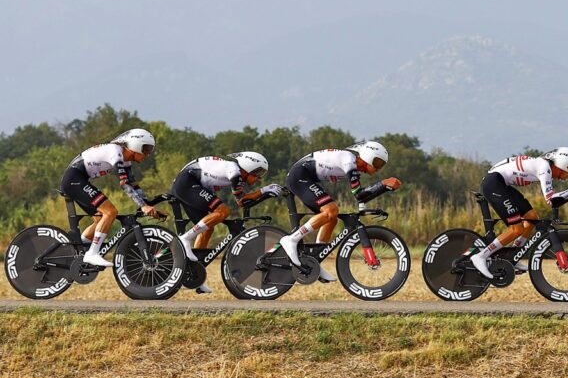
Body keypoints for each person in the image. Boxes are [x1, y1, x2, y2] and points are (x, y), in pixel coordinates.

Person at [280, 142, 401, 282]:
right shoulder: (349, 161)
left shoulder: (353, 166)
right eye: (378, 162)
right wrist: (383, 184)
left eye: (382, 165)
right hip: (299, 177)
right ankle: (292, 239)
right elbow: (359, 194)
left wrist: (384, 187)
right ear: (368, 156)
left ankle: (315, 258)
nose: (378, 168)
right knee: (331, 211)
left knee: (332, 218)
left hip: (304, 178)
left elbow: (361, 196)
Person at [467, 147, 568, 278]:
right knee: (516, 229)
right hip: (494, 183)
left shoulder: (544, 165)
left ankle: (512, 256)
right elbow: (551, 200)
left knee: (531, 218)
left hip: (501, 183)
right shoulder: (544, 168)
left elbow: (555, 200)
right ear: (562, 162)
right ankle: (481, 256)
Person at [171, 152, 281, 293]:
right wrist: (264, 190)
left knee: (207, 228)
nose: (259, 178)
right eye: (258, 173)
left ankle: (195, 275)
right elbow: (241, 201)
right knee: (223, 211)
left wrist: (264, 192)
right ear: (248, 168)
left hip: (189, 184)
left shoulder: (234, 172)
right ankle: (185, 238)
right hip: (187, 182)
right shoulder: (234, 172)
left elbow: (243, 201)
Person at [59, 128, 163, 267]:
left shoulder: (126, 159)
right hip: (74, 179)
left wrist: (147, 203)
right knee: (110, 212)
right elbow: (124, 184)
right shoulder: (116, 152)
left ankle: (81, 252)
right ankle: (92, 254)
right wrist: (143, 206)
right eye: (146, 148)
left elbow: (133, 184)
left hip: (78, 179)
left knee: (100, 219)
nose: (147, 154)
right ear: (135, 145)